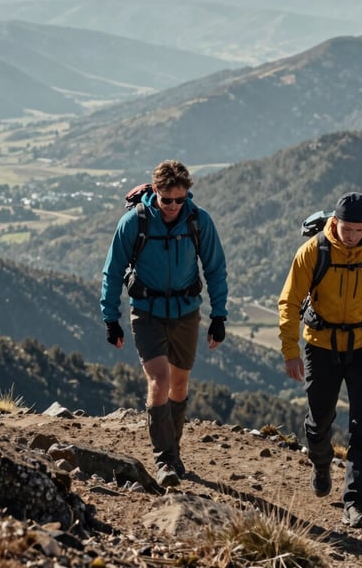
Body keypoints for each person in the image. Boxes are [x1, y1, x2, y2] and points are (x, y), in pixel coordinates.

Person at [277, 192, 362, 529]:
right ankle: (321, 463)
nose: (351, 237)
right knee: (319, 420)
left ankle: (355, 502)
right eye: (346, 229)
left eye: (358, 230)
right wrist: (290, 351)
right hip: (319, 346)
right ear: (334, 222)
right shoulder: (314, 251)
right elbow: (289, 301)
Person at [101, 159, 228, 488]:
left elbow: (215, 268)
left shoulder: (199, 221)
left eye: (180, 199)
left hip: (186, 312)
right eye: (166, 199)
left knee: (180, 386)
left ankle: (173, 451)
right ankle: (165, 460)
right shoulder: (134, 223)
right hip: (147, 312)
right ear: (154, 191)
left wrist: (219, 316)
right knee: (159, 380)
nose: (173, 206)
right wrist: (110, 318)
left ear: (188, 195)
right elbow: (113, 271)